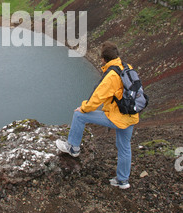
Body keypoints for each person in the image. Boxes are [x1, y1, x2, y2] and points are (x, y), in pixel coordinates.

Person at [56, 41, 139, 189]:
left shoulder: (111, 75)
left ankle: (73, 148)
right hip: (131, 114)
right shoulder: (127, 68)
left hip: (117, 116)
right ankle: (123, 181)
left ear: (104, 59)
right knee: (125, 147)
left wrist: (83, 107)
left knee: (79, 116)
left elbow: (96, 99)